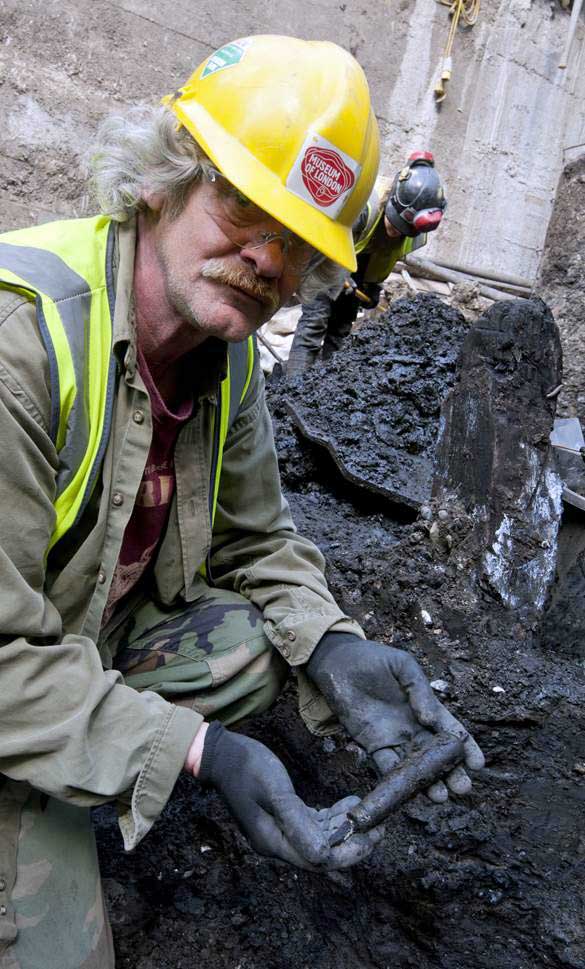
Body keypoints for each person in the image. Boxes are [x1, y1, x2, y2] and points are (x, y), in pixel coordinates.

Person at [0, 36, 483, 969]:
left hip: (57, 642)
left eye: (297, 241)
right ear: (160, 180)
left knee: (265, 645)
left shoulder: (219, 359)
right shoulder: (19, 347)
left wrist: (336, 647)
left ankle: (92, 743)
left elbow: (260, 538)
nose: (266, 256)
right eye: (242, 205)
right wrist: (199, 752)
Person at [287, 153, 447, 371]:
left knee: (341, 330)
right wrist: (340, 273)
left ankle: (327, 387)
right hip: (329, 260)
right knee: (314, 324)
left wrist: (372, 287)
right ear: (392, 199)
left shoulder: (415, 233)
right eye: (394, 222)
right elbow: (327, 243)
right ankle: (293, 387)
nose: (395, 232)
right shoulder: (364, 204)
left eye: (402, 230)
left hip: (361, 266)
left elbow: (386, 257)